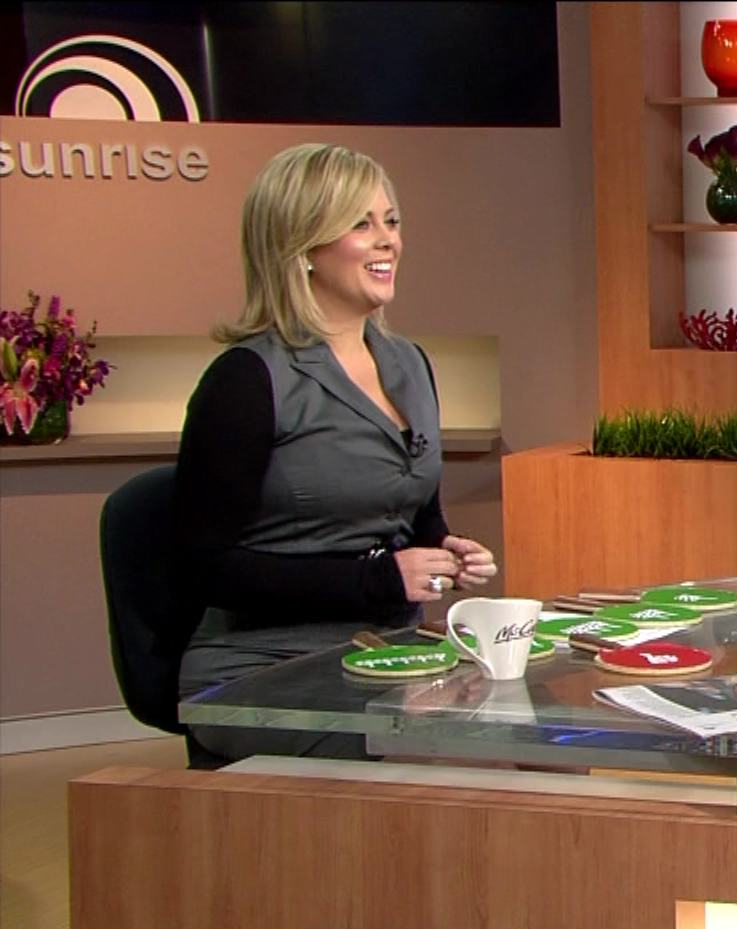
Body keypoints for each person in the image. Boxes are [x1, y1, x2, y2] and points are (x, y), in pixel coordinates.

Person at [175, 143, 497, 761]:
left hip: (389, 650)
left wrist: (444, 550)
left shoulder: (409, 363)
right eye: (361, 224)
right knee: (464, 756)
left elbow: (416, 515)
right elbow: (201, 567)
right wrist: (377, 579)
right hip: (264, 665)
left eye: (391, 221)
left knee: (532, 737)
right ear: (302, 246)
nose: (387, 240)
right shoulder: (246, 379)